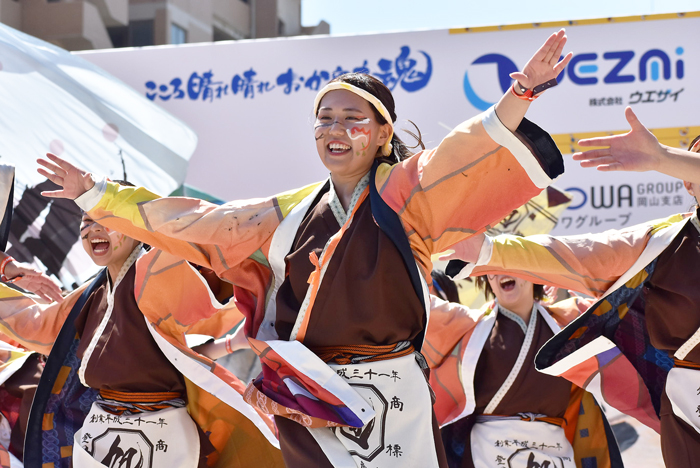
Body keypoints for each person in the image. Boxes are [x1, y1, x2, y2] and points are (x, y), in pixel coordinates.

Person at [36, 30, 572, 467]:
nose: (335, 129)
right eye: (325, 118)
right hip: (310, 390)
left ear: (383, 134)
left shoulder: (407, 193)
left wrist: (520, 93)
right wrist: (97, 194)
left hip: (393, 391)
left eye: (352, 119)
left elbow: (462, 153)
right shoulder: (289, 213)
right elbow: (204, 225)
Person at [444, 135, 700, 467]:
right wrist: (490, 250)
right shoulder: (663, 243)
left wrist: (662, 156)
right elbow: (580, 255)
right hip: (689, 407)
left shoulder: (558, 317)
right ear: (686, 183)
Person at [0, 182, 283, 468]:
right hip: (102, 428)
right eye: (87, 221)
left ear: (135, 227)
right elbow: (33, 324)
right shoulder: (90, 295)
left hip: (159, 428)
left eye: (108, 219)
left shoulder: (158, 269)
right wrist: (6, 269)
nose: (94, 228)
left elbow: (203, 238)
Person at [424, 272, 621, 468]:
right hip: (489, 452)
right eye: (492, 271)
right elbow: (418, 307)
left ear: (530, 271)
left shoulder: (567, 321)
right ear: (487, 282)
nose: (501, 273)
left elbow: (622, 300)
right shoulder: (470, 327)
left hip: (553, 450)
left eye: (510, 265)